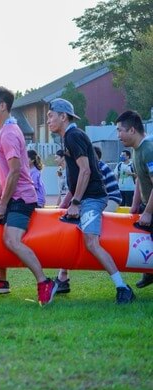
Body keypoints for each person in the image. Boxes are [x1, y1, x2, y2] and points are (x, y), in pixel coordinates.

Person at [48, 98, 134, 304]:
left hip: (92, 198)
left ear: (63, 116)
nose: (48, 120)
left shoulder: (73, 136)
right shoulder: (68, 136)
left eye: (51, 116)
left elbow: (86, 170)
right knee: (70, 234)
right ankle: (63, 279)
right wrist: (69, 202)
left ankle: (123, 287)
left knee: (92, 242)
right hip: (86, 197)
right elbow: (77, 174)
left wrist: (76, 202)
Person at [0, 87, 57, 305]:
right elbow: (4, 176)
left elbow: (14, 172)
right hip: (12, 195)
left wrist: (2, 204)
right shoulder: (4, 131)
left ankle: (45, 282)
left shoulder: (10, 133)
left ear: (2, 106)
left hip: (21, 198)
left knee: (11, 239)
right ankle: (1, 281)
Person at [55, 145, 122, 294]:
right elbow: (75, 189)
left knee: (87, 230)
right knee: (75, 229)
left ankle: (63, 276)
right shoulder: (86, 165)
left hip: (110, 199)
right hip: (95, 200)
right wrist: (64, 205)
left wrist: (68, 204)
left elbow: (86, 189)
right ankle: (62, 275)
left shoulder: (95, 166)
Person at [116, 110, 153, 289]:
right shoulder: (137, 149)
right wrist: (135, 205)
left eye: (120, 130)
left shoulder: (148, 149)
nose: (118, 135)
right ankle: (149, 272)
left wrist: (147, 212)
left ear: (132, 130)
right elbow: (139, 178)